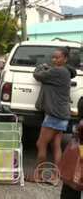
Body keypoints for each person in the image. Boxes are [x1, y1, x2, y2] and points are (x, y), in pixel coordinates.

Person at [28, 47, 76, 183]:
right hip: (62, 114)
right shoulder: (66, 71)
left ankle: (38, 175)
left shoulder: (57, 71)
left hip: (54, 115)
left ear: (65, 59)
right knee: (56, 145)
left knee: (40, 144)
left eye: (58, 57)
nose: (54, 59)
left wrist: (41, 67)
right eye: (53, 57)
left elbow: (38, 75)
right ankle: (56, 176)